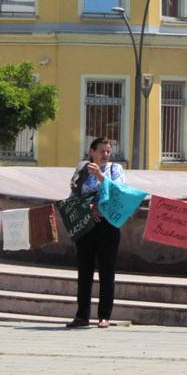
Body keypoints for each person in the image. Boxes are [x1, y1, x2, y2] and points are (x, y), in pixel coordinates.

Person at [66, 137, 125, 329]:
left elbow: (120, 192)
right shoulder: (82, 170)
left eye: (109, 151)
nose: (106, 154)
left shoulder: (115, 170)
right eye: (102, 151)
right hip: (86, 224)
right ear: (92, 152)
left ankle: (104, 316)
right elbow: (73, 196)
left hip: (108, 225)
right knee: (85, 271)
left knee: (107, 272)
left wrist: (101, 177)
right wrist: (88, 207)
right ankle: (82, 315)